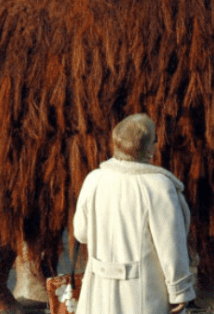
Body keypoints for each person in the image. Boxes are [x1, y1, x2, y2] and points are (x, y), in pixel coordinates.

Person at [73, 113, 196, 314]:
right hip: (144, 295)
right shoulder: (159, 186)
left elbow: (81, 233)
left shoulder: (94, 180)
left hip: (99, 293)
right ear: (150, 148)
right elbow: (171, 247)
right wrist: (180, 291)